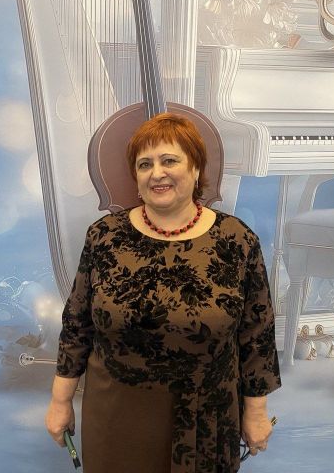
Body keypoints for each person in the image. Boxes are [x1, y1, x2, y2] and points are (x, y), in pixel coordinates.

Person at [45, 113, 281, 473]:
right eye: (145, 164)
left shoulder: (237, 240)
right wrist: (60, 401)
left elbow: (257, 334)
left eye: (169, 160)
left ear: (196, 168)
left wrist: (257, 412)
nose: (157, 173)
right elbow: (77, 325)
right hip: (117, 417)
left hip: (207, 417)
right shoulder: (104, 236)